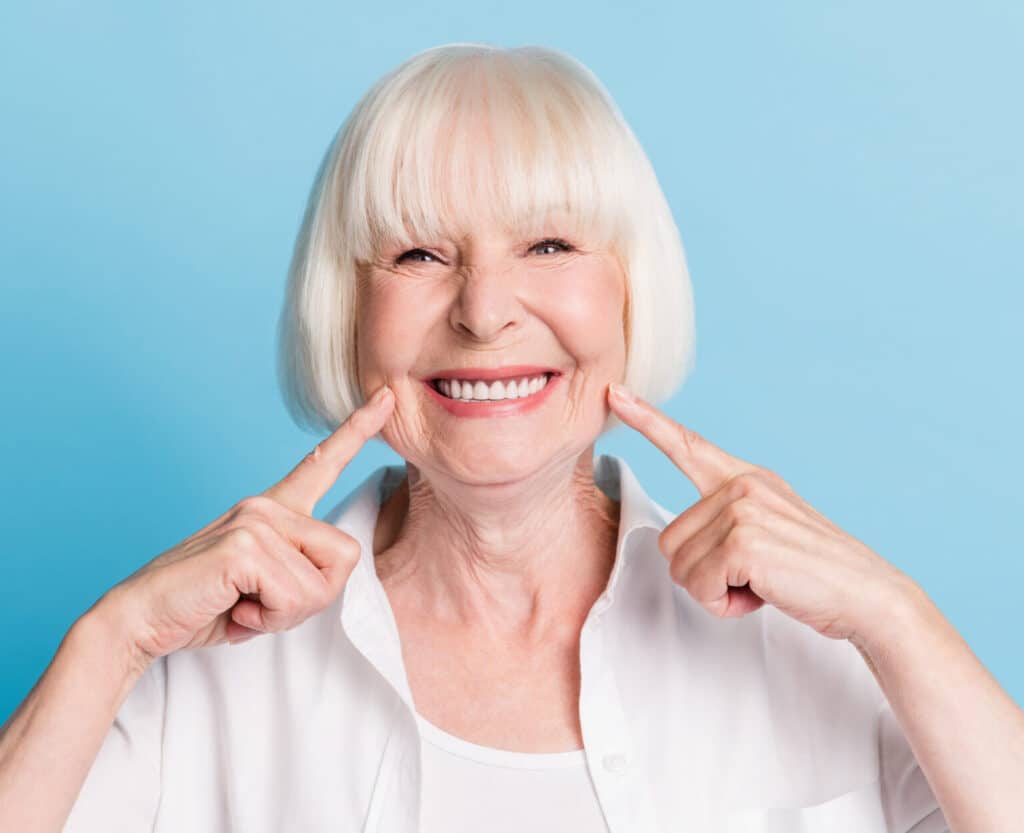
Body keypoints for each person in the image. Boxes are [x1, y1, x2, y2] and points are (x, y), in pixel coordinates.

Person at [1, 42, 1021, 833]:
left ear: (630, 290)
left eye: (549, 242)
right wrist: (109, 639)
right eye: (418, 252)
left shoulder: (818, 648)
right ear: (347, 312)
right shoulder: (202, 671)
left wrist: (896, 615)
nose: (485, 311)